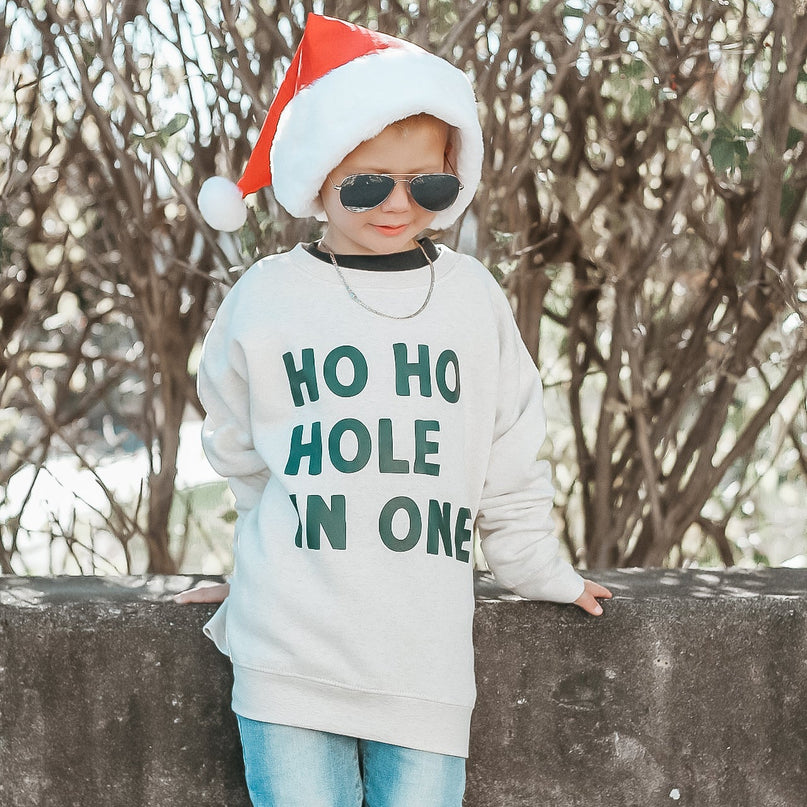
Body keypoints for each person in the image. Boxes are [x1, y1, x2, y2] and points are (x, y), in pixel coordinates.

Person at [179, 13, 612, 807]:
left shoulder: (472, 299)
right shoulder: (267, 296)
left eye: (430, 184)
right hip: (287, 650)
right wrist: (256, 560)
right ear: (316, 174)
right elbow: (237, 446)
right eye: (368, 182)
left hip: (425, 661)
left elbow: (509, 451)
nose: (397, 204)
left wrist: (541, 571)